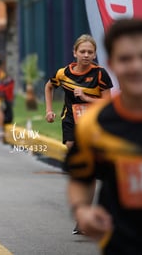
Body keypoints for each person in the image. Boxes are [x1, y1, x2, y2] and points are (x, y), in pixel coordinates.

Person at [66, 18, 142, 254]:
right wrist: (82, 210)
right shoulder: (93, 125)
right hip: (120, 245)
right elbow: (80, 178)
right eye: (126, 59)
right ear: (112, 64)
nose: (137, 66)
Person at [44, 34, 113, 234]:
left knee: (86, 166)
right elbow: (49, 87)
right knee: (75, 156)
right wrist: (49, 110)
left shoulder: (100, 74)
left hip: (93, 124)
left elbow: (108, 102)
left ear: (95, 54)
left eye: (90, 52)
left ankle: (84, 214)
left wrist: (85, 97)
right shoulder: (63, 73)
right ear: (75, 53)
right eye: (82, 51)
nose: (86, 55)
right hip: (71, 121)